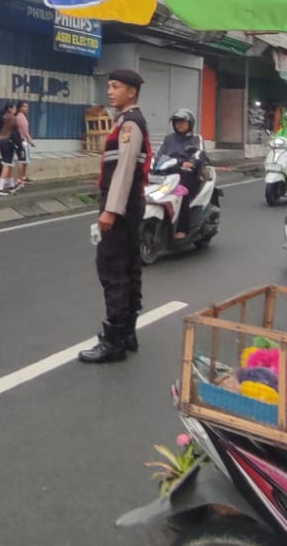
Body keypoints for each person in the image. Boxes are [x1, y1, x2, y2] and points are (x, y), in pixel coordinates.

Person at [78, 68, 151, 364]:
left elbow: (124, 169)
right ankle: (128, 332)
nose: (110, 91)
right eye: (109, 86)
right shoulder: (126, 121)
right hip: (130, 205)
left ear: (131, 92)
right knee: (130, 267)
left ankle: (114, 341)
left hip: (121, 206)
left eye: (116, 86)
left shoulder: (130, 124)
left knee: (112, 268)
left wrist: (110, 210)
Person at [158, 108, 205, 240]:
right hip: (168, 173)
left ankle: (182, 228)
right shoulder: (168, 139)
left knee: (181, 192)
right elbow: (158, 155)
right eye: (177, 122)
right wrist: (152, 164)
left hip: (188, 174)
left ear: (190, 123)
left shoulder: (196, 138)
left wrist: (191, 163)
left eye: (183, 122)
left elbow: (199, 153)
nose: (180, 124)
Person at [0, 103, 22, 195]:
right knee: (7, 165)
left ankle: (11, 186)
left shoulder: (2, 117)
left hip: (2, 142)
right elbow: (17, 132)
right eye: (14, 108)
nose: (15, 110)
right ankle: (0, 188)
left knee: (8, 164)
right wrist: (20, 146)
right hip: (9, 142)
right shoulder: (13, 118)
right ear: (10, 109)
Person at [13, 100, 36, 187]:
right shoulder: (21, 117)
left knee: (25, 160)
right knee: (22, 160)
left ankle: (22, 177)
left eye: (27, 107)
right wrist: (30, 141)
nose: (27, 108)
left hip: (22, 141)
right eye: (25, 106)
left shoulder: (20, 116)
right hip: (22, 141)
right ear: (20, 108)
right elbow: (25, 132)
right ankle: (19, 179)